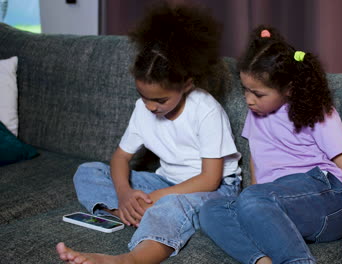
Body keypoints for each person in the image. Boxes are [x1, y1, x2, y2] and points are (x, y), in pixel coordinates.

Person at [56, 2, 242, 263]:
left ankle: (131, 258)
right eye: (143, 97)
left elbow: (210, 180)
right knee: (88, 171)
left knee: (170, 205)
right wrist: (124, 194)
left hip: (216, 189)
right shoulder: (142, 109)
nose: (151, 107)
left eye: (161, 100)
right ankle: (127, 212)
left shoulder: (206, 110)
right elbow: (120, 158)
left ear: (187, 84)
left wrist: (153, 198)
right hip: (167, 181)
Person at [199, 26, 342, 264]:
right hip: (278, 207)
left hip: (328, 201)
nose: (248, 100)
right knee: (211, 211)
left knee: (251, 199)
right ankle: (262, 260)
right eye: (245, 90)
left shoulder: (317, 111)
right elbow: (257, 158)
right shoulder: (258, 112)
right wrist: (254, 205)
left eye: (258, 94)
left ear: (289, 89)